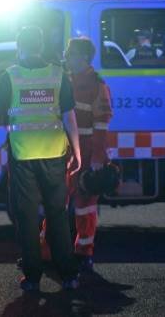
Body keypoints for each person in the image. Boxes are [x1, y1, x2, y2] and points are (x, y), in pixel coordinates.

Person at [0, 26, 81, 292]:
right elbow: (68, 116)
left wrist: (10, 119)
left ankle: (32, 278)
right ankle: (69, 275)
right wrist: (77, 152)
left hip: (23, 156)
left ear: (20, 46)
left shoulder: (10, 77)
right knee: (58, 216)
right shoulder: (57, 74)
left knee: (26, 218)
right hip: (55, 154)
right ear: (40, 46)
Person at [59, 37, 113, 272]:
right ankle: (50, 251)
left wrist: (98, 159)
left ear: (82, 57)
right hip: (64, 151)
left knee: (84, 205)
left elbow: (101, 124)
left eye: (70, 54)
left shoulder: (96, 84)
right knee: (55, 204)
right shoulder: (67, 80)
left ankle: (84, 251)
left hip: (86, 151)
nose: (66, 57)